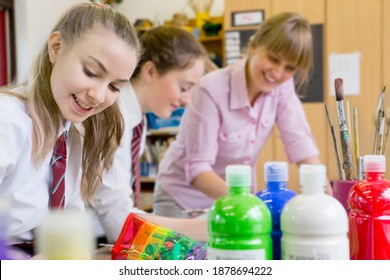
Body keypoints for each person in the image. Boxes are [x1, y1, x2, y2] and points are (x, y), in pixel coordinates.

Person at [153, 12, 333, 218]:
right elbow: (197, 171)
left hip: (237, 200)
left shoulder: (282, 88)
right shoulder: (211, 89)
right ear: (255, 46)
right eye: (273, 59)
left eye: (289, 68)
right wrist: (250, 203)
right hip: (183, 199)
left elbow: (302, 148)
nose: (277, 73)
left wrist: (330, 203)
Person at [0, 2, 141, 256]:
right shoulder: (7, 122)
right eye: (91, 72)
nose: (99, 96)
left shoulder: (71, 137)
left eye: (114, 87)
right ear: (56, 48)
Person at [91, 25, 208, 244]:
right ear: (150, 71)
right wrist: (202, 228)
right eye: (184, 87)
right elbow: (118, 223)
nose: (188, 100)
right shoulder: (113, 116)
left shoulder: (138, 119)